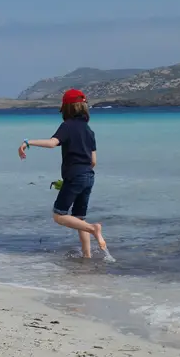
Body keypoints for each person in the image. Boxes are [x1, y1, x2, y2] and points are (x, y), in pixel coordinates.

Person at [18, 88, 107, 257]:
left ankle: (93, 229)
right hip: (88, 177)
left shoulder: (67, 126)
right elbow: (93, 161)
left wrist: (28, 142)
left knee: (59, 215)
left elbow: (52, 143)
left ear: (67, 109)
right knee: (79, 218)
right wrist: (79, 177)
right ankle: (87, 256)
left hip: (75, 176)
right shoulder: (89, 131)